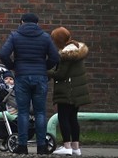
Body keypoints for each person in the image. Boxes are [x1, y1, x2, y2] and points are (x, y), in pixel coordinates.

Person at [0, 13, 60, 155]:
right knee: (40, 112)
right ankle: (42, 147)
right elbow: (55, 57)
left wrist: (13, 66)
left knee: (23, 112)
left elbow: (3, 54)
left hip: (22, 77)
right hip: (40, 78)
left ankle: (22, 146)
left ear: (21, 22)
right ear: (37, 24)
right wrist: (44, 67)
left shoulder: (15, 36)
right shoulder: (45, 37)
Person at [47, 27, 90, 156]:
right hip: (77, 91)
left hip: (68, 91)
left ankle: (67, 146)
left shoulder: (66, 54)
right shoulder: (76, 49)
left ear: (58, 40)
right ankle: (76, 147)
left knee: (63, 117)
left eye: (54, 40)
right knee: (73, 118)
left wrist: (46, 72)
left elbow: (61, 74)